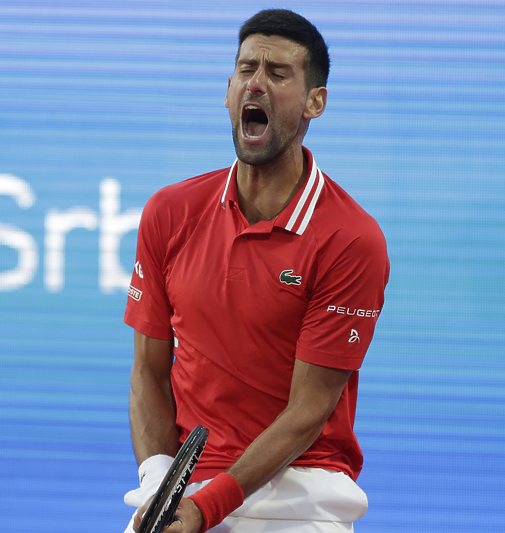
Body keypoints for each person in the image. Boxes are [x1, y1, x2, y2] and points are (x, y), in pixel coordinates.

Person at [122, 9, 389, 533]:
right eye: (247, 69)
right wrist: (160, 486)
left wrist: (207, 507)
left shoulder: (352, 239)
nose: (257, 84)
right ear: (227, 91)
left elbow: (308, 411)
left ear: (316, 102)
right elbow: (149, 371)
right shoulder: (168, 212)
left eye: (278, 73)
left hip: (302, 492)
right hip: (185, 487)